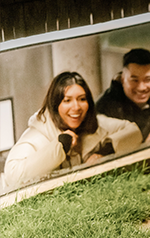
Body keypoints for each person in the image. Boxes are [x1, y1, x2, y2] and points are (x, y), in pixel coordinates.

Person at [2, 72, 141, 189]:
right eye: (67, 100)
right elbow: (13, 175)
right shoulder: (37, 135)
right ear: (55, 105)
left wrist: (105, 150)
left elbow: (133, 130)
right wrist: (60, 147)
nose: (76, 107)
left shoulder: (94, 123)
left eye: (82, 99)